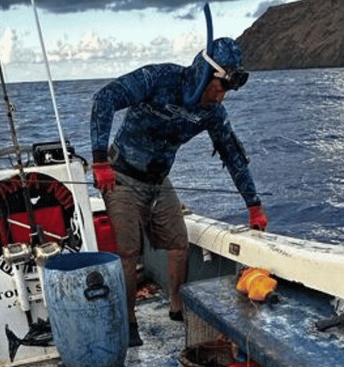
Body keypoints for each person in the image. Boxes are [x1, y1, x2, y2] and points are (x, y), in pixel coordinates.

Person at [89, 37, 268, 347]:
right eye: (220, 86)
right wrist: (99, 160)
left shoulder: (212, 112)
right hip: (121, 176)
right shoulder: (160, 79)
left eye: (228, 90)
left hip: (159, 182)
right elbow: (104, 99)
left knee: (179, 243)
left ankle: (176, 306)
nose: (221, 96)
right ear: (204, 73)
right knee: (128, 252)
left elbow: (233, 155)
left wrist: (253, 205)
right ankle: (130, 321)